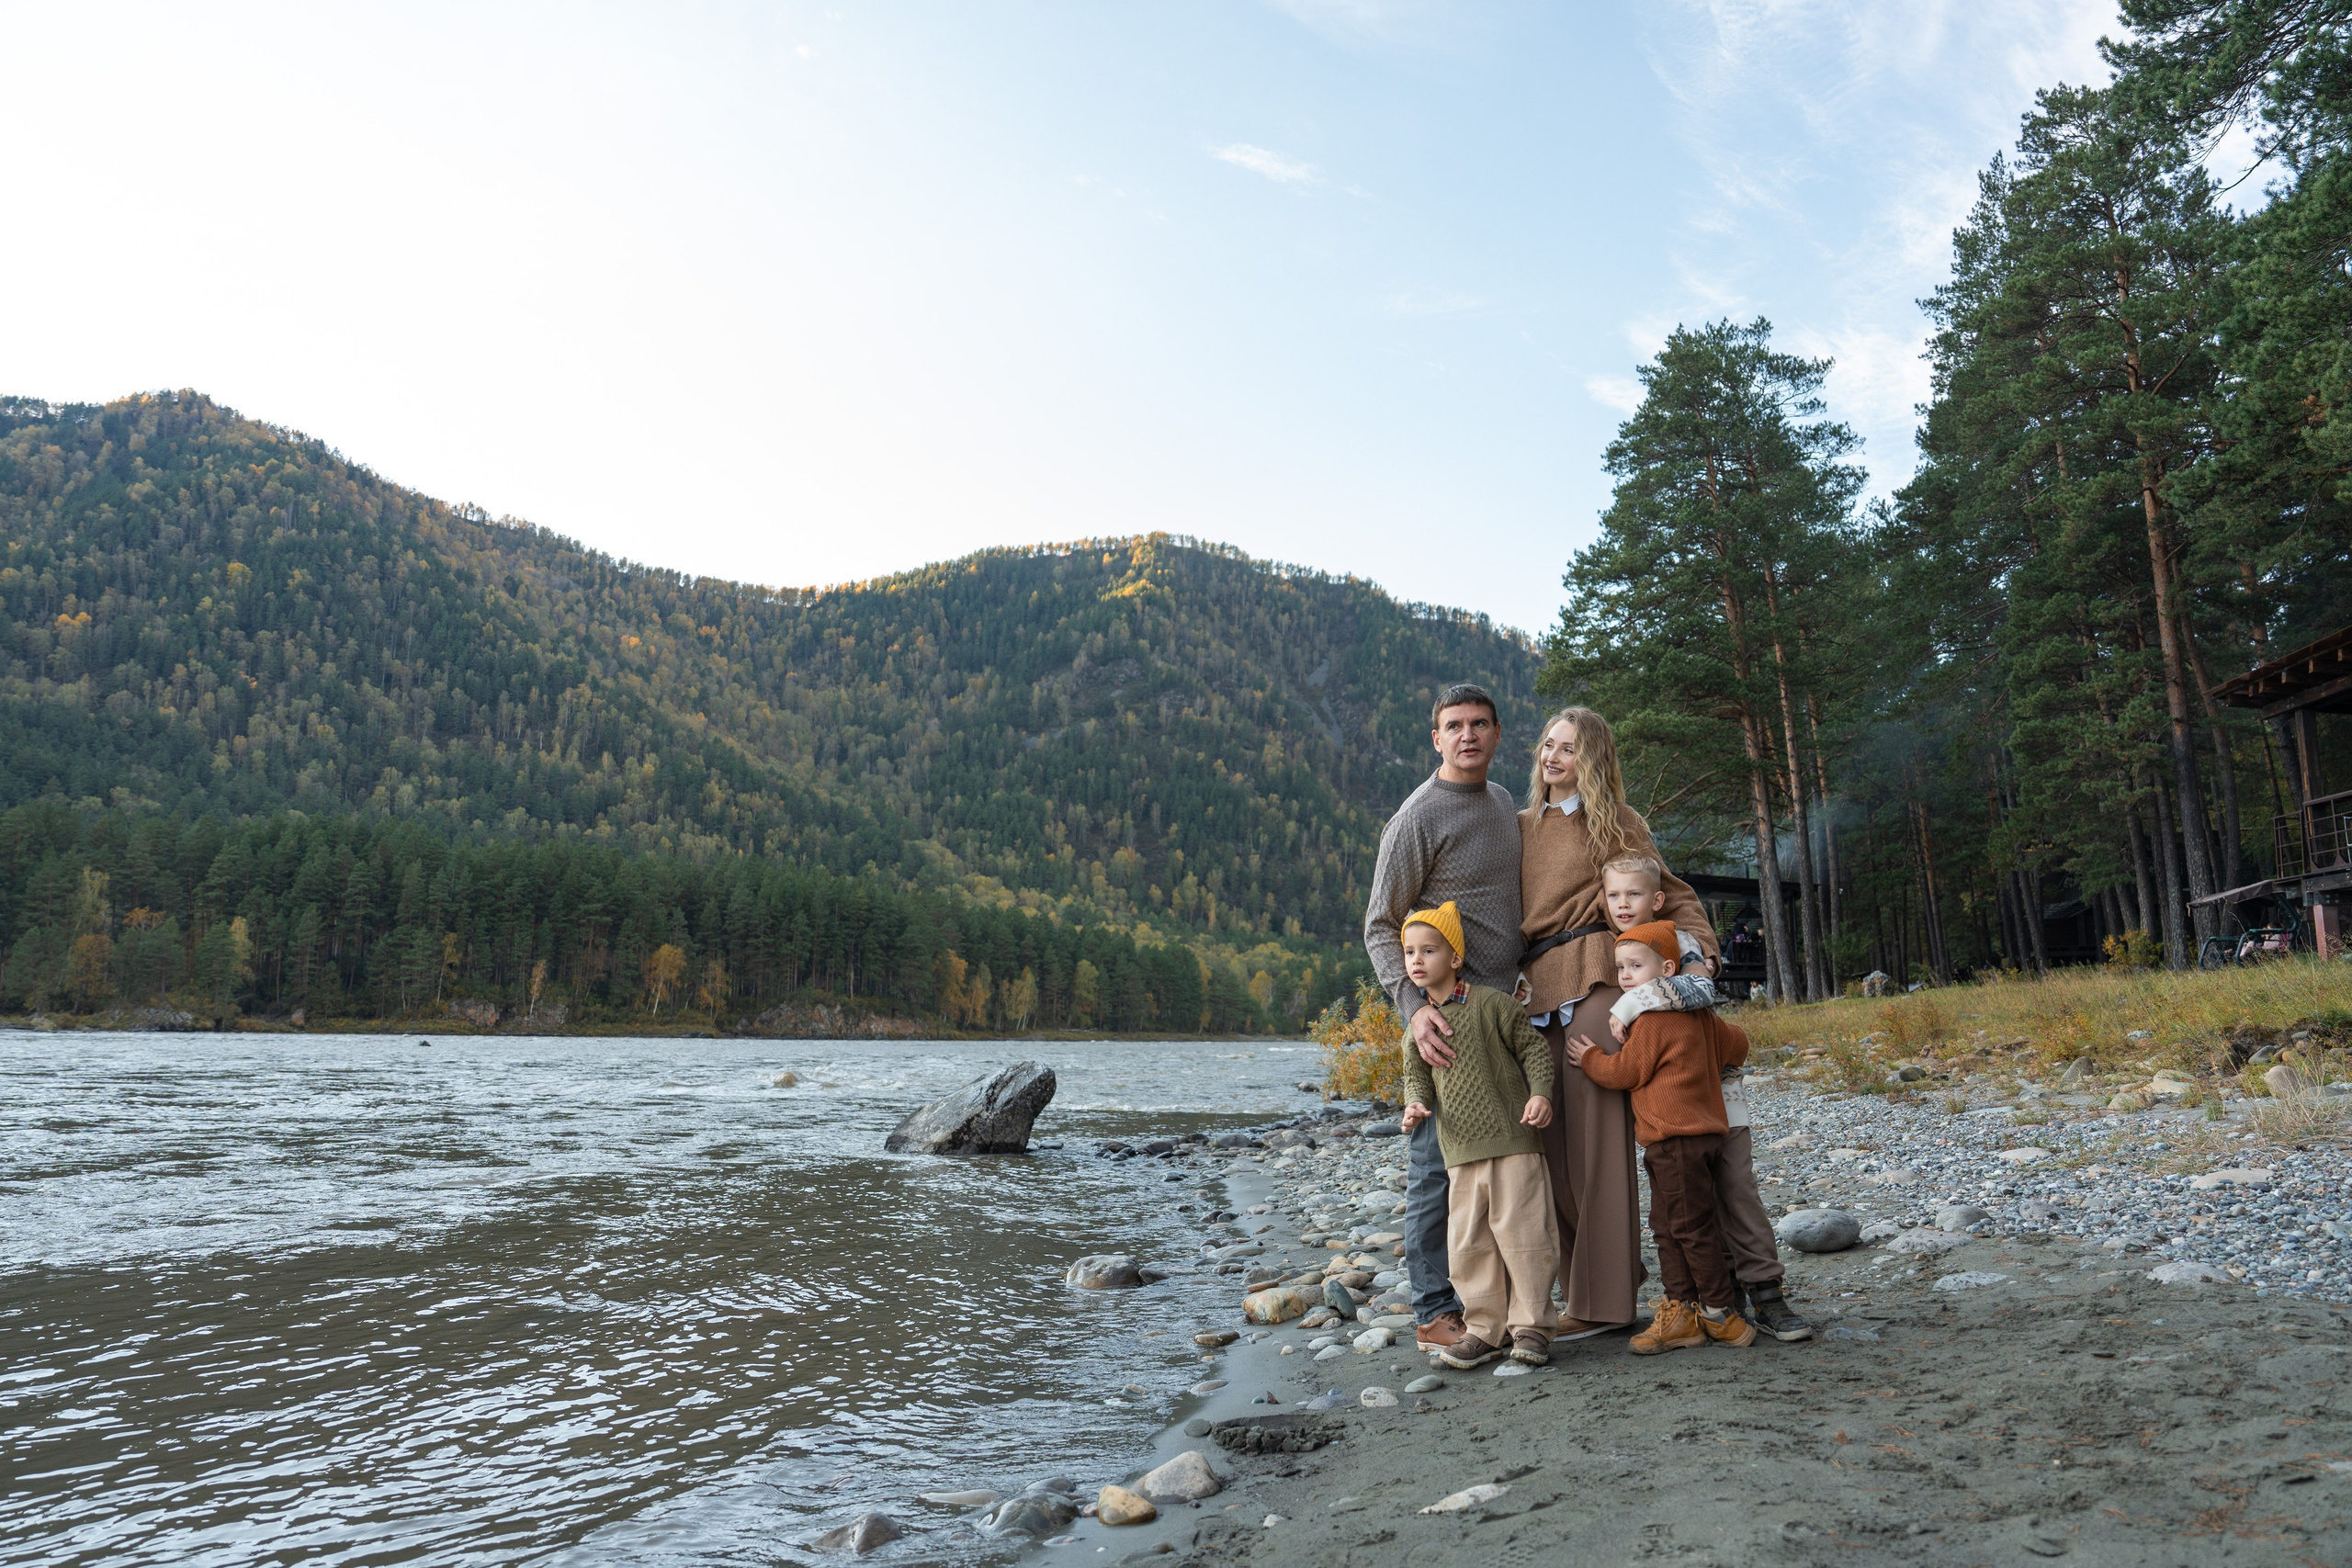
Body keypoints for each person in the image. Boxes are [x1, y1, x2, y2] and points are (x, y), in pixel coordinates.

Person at [1518, 707, 1719, 1336]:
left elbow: (1672, 892)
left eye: (1569, 748)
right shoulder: (1518, 826)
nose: (1553, 757)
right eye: (1548, 744)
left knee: (1598, 1152)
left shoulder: (1617, 822)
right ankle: (1592, 1287)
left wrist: (1701, 955)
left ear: (1594, 760)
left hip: (1600, 979)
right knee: (1549, 1154)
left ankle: (1602, 1303)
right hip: (1533, 990)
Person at [1364, 682, 1522, 1356]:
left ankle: (1498, 1300)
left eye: (1479, 724)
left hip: (1503, 1013)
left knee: (1504, 1160)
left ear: (1495, 732)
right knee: (1436, 1165)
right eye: (1453, 725)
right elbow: (1379, 925)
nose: (1468, 735)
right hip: (1445, 1018)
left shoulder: (1503, 803)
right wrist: (1414, 1011)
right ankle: (1434, 1309)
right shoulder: (1416, 818)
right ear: (1436, 738)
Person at [1600, 855, 1815, 1342]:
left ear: (1656, 898)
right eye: (1614, 896)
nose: (1622, 904)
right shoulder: (1621, 947)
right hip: (1681, 1107)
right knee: (1692, 1204)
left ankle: (1766, 1293)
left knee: (1737, 1191)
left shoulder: (1681, 941)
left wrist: (1632, 1003)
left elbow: (1699, 990)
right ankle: (1718, 1299)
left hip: (1719, 1096)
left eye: (1633, 895)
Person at [1567, 921, 1756, 1353]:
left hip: (1673, 1140)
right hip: (1704, 1137)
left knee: (1685, 1229)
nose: (1626, 976)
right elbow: (1738, 1045)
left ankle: (1719, 1314)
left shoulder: (1650, 1019)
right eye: (1620, 968)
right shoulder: (1703, 1016)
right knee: (1673, 1226)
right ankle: (1683, 1308)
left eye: (1636, 966)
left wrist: (1592, 1057)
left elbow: (1626, 1072)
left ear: (1667, 969)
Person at [1394, 901, 1560, 1370]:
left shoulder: (1494, 1004)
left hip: (1513, 1143)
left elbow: (1534, 1052)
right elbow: (1416, 1080)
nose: (1417, 961)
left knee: (1525, 1235)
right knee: (1468, 1244)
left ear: (1455, 958)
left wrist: (1541, 1094)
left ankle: (1531, 1327)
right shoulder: (1417, 1028)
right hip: (1459, 1152)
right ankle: (1485, 1329)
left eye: (1429, 950)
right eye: (1409, 952)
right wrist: (1413, 1107)